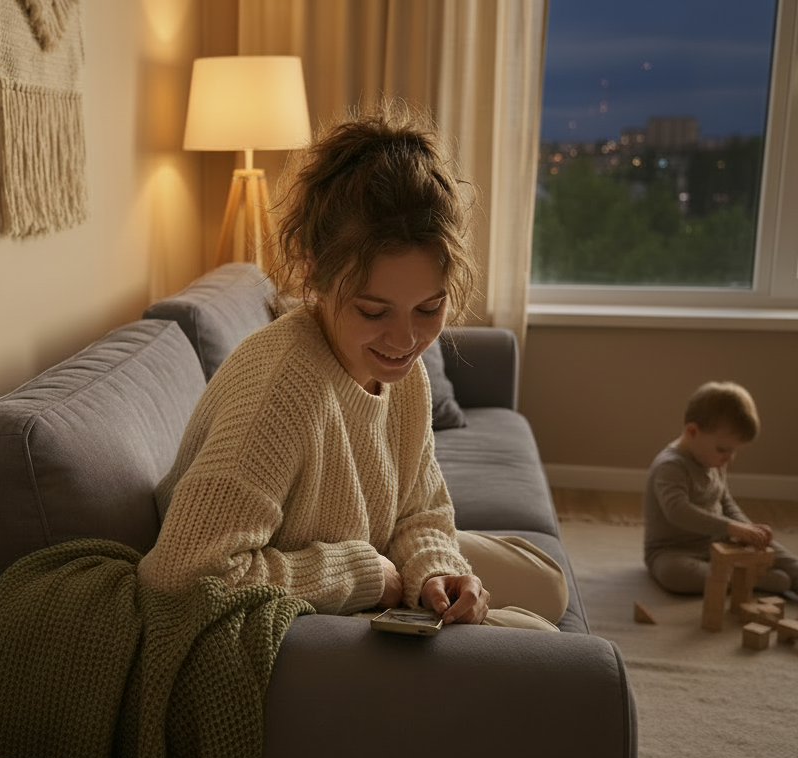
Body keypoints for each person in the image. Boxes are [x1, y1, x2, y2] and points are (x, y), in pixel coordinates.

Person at [137, 101, 568, 631]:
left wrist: (436, 570)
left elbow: (419, 509)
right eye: (373, 310)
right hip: (324, 601)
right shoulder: (281, 392)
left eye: (429, 308)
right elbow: (179, 577)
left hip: (377, 545)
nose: (405, 340)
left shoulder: (403, 375)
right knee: (542, 640)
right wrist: (364, 574)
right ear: (315, 276)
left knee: (549, 583)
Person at [643, 381, 798, 597]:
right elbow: (677, 511)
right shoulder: (670, 466)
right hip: (673, 551)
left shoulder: (713, 460)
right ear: (692, 431)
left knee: (772, 549)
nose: (728, 459)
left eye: (734, 452)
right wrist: (732, 529)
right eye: (723, 449)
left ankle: (794, 573)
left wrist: (748, 530)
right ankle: (751, 579)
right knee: (675, 574)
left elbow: (725, 502)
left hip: (717, 542)